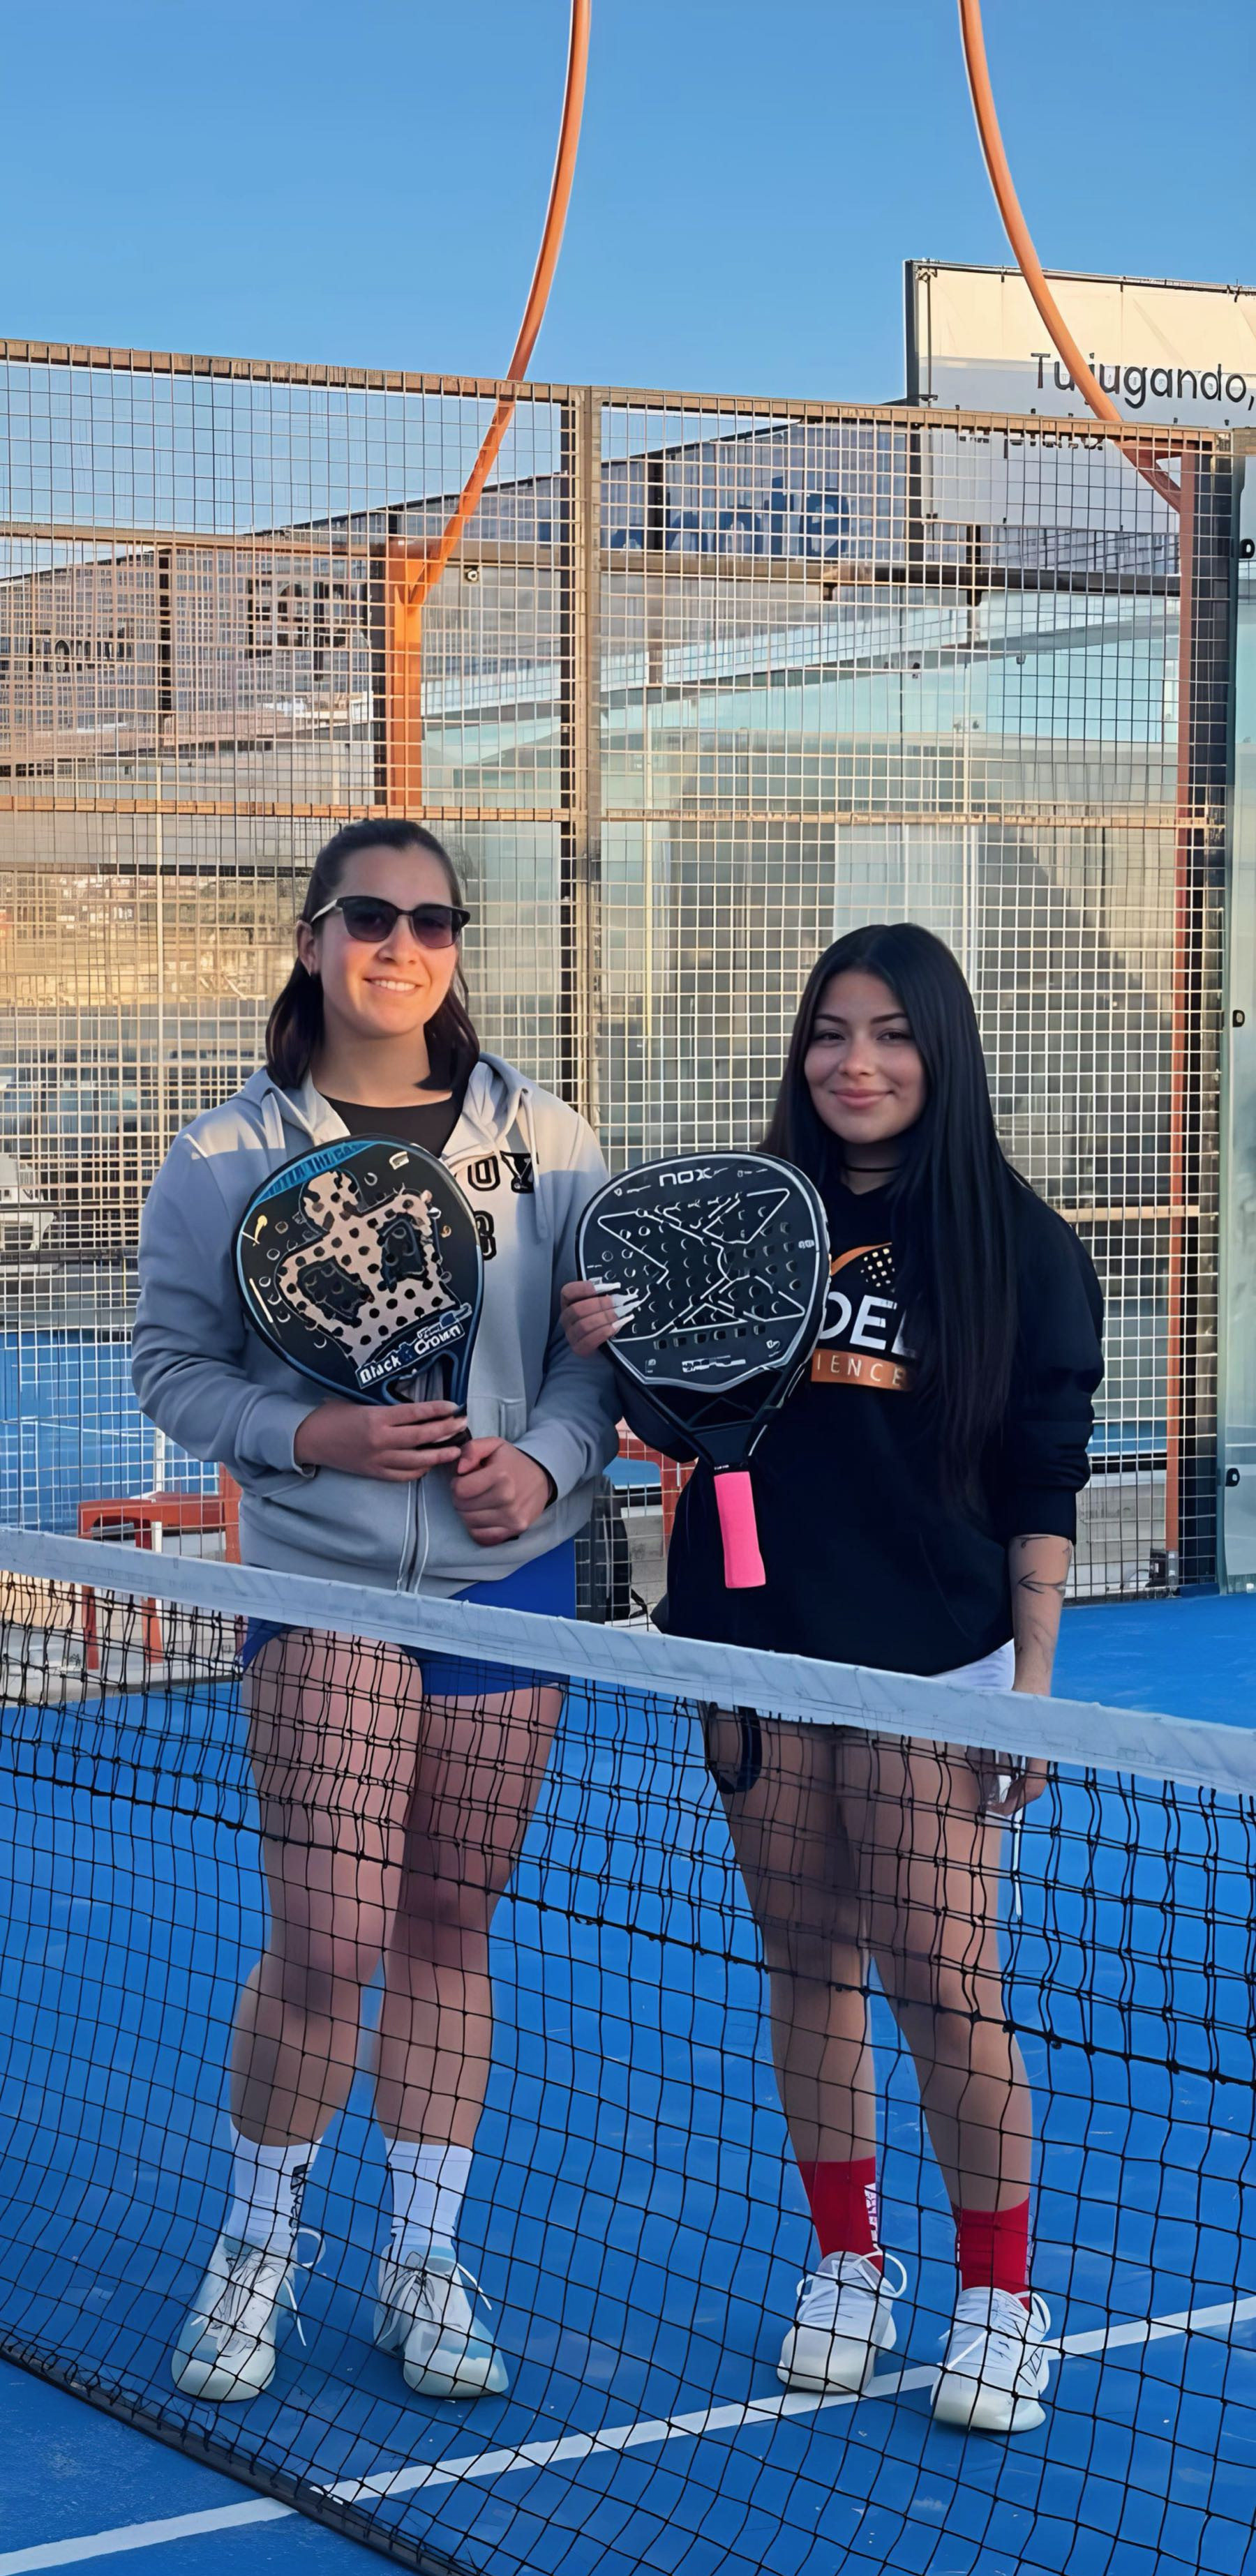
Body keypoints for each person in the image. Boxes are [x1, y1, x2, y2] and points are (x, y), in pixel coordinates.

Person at [562, 922, 1102, 2437]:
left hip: (932, 1667)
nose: (855, 1063)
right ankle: (849, 2265)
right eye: (829, 1033)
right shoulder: (738, 1213)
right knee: (806, 1960)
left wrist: (1033, 1683)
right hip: (753, 1648)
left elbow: (1043, 1481)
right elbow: (679, 1417)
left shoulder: (1022, 1247)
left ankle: (999, 2297)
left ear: (943, 1051)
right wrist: (607, 1347)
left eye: (891, 1034)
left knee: (943, 1979)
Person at [133, 818, 620, 2406]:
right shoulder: (223, 1155)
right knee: (332, 1940)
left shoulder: (544, 1136)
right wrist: (315, 1436)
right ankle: (257, 2243)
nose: (399, 944)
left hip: (508, 1591)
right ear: (313, 937)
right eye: (367, 916)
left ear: (457, 945)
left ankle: (424, 2255)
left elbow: (592, 1358)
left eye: (431, 920)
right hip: (322, 1585)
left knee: (446, 1929)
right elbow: (173, 1368)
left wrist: (544, 1468)